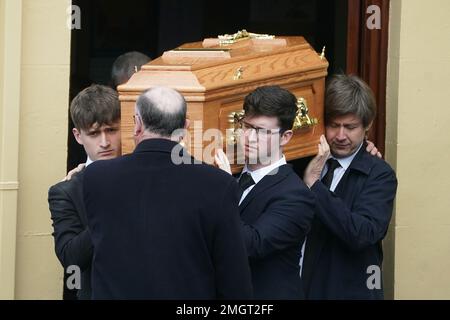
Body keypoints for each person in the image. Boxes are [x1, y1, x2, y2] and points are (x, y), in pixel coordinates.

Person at [83, 86, 253, 299]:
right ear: (185, 127)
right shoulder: (218, 184)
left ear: (137, 124)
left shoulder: (96, 177)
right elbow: (234, 279)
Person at [301, 74, 398, 299]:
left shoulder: (380, 175)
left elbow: (361, 233)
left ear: (367, 126)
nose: (341, 136)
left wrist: (315, 186)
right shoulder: (305, 161)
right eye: (334, 125)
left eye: (350, 127)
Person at [215, 85, 315, 299]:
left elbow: (252, 245)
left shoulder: (296, 196)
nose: (249, 137)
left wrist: (224, 191)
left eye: (261, 131)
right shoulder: (232, 178)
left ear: (286, 137)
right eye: (246, 126)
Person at [48, 84, 121, 300]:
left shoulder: (146, 175)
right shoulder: (67, 191)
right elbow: (71, 258)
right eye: (94, 133)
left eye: (111, 130)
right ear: (78, 136)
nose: (105, 142)